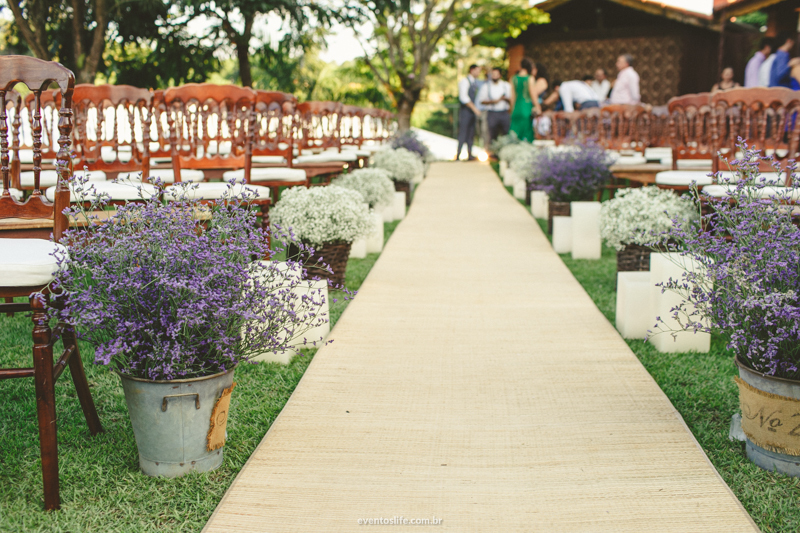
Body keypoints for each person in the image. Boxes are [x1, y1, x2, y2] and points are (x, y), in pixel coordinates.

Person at [476, 66, 511, 145]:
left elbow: (512, 99)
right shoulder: (486, 86)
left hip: (504, 112)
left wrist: (504, 99)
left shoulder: (506, 85)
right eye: (493, 74)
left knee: (505, 133)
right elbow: (481, 101)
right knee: (492, 134)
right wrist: (494, 101)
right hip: (492, 113)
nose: (494, 76)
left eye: (496, 74)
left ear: (500, 75)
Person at [456, 64, 481, 161]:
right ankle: (458, 155)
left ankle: (469, 154)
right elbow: (464, 98)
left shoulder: (475, 82)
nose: (479, 73)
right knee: (463, 132)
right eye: (477, 70)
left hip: (472, 112)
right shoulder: (464, 81)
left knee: (471, 132)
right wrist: (474, 109)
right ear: (472, 70)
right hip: (466, 111)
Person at [509, 58, 536, 142]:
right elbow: (533, 95)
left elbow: (512, 96)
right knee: (526, 130)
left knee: (515, 131)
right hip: (526, 107)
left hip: (516, 107)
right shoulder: (530, 78)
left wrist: (511, 109)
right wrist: (537, 106)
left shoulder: (513, 78)